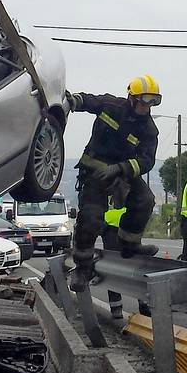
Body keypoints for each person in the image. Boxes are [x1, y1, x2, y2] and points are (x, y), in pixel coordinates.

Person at [66, 75, 161, 292]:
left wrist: (120, 169)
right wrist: (73, 101)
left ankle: (129, 244)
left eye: (152, 103)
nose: (147, 107)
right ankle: (82, 267)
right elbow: (89, 101)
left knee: (145, 200)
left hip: (122, 172)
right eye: (144, 101)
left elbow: (147, 160)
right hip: (94, 171)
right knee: (90, 218)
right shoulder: (112, 105)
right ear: (131, 98)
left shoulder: (149, 130)